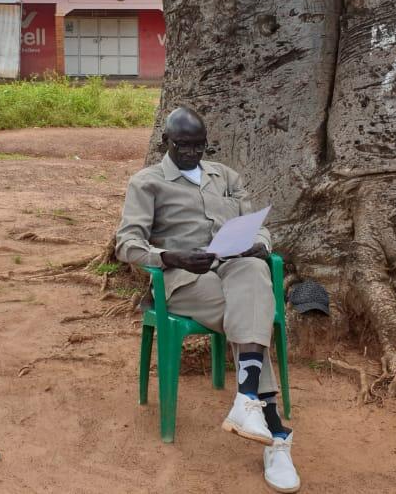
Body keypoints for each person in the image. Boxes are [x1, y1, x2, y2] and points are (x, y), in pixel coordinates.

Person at [115, 107, 299, 493]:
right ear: (167, 142)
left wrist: (260, 246)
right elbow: (127, 244)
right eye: (184, 146)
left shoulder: (225, 177)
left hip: (231, 266)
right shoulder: (146, 183)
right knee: (250, 311)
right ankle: (275, 432)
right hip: (184, 280)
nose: (192, 153)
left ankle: (247, 401)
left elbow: (258, 226)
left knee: (254, 274)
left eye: (199, 146)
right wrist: (171, 257)